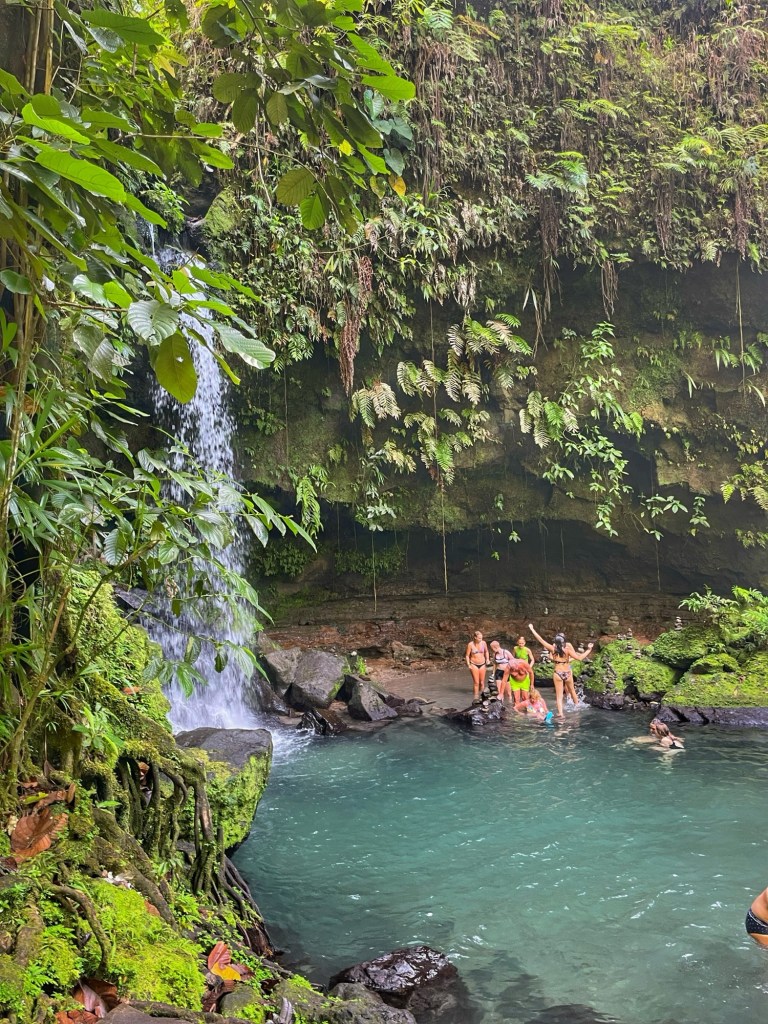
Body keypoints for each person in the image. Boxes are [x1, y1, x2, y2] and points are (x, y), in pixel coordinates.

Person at [527, 624, 593, 718]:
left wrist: (532, 629)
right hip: (567, 672)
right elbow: (579, 658)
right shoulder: (567, 650)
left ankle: (561, 714)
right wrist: (589, 649)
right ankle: (577, 707)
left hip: (558, 673)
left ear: (555, 642)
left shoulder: (552, 649)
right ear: (563, 642)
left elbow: (540, 639)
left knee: (559, 696)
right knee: (572, 691)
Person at [465, 630, 490, 704]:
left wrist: (487, 659)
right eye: (479, 638)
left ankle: (482, 697)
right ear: (475, 637)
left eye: (481, 638)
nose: (481, 639)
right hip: (474, 664)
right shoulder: (470, 644)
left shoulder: (484, 643)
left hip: (482, 663)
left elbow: (486, 651)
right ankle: (475, 698)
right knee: (476, 682)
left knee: (482, 682)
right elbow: (467, 655)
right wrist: (468, 664)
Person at [510, 635, 535, 705]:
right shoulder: (515, 648)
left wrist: (529, 667)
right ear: (517, 643)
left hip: (525, 670)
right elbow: (512, 658)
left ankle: (527, 707)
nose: (521, 645)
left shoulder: (527, 650)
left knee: (525, 695)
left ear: (525, 643)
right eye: (520, 643)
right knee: (516, 696)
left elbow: (532, 660)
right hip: (517, 669)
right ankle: (516, 707)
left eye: (522, 643)